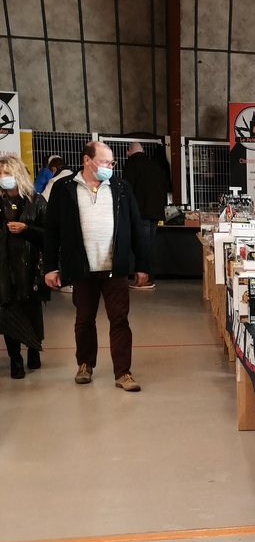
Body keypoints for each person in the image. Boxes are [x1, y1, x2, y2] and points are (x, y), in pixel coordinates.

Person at [43, 140, 149, 391]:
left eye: (111, 163)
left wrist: (142, 264)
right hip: (81, 268)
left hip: (115, 267)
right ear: (87, 160)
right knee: (84, 319)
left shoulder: (121, 188)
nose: (109, 167)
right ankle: (85, 364)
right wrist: (50, 266)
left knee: (119, 320)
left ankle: (123, 372)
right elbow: (51, 231)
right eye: (104, 162)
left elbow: (137, 227)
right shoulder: (63, 188)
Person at [0, 154, 48, 378]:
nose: (3, 177)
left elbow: (49, 235)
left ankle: (33, 349)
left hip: (31, 268)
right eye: (0, 174)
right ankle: (15, 359)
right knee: (9, 313)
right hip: (5, 267)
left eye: (7, 173)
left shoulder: (36, 201)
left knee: (32, 312)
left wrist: (27, 229)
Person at [122, 141, 168, 289]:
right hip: (156, 213)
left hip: (140, 213)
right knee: (149, 245)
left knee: (141, 246)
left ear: (128, 152)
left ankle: (143, 279)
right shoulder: (155, 166)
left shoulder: (131, 165)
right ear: (143, 151)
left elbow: (127, 190)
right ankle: (149, 276)